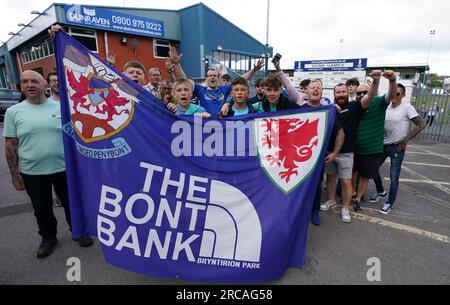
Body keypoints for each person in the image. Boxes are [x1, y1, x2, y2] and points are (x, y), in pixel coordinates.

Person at [3, 70, 93, 259]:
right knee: (41, 208)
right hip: (32, 172)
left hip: (63, 168)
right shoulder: (14, 112)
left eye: (34, 81)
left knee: (72, 203)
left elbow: (76, 137)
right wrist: (14, 174)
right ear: (21, 86)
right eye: (25, 82)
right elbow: (11, 144)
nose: (29, 85)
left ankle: (79, 231)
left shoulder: (61, 108)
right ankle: (48, 238)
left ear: (45, 85)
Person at [320, 71, 382, 223]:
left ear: (348, 92)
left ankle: (345, 208)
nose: (341, 94)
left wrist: (375, 81)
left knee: (347, 182)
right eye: (338, 92)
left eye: (343, 92)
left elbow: (370, 96)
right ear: (334, 94)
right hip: (329, 152)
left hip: (347, 153)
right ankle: (332, 200)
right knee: (330, 179)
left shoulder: (356, 106)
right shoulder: (329, 108)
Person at [370, 83, 426, 214]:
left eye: (398, 94)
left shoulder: (407, 107)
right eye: (393, 92)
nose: (394, 96)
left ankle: (389, 203)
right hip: (382, 145)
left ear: (403, 96)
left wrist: (406, 139)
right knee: (372, 169)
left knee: (394, 177)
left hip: (397, 147)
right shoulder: (386, 107)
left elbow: (421, 125)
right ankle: (380, 191)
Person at [168, 46, 264, 116]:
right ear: (206, 78)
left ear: (219, 78)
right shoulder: (200, 89)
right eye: (210, 76)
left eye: (214, 76)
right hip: (206, 124)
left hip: (222, 123)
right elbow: (184, 82)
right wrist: (177, 64)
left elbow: (240, 80)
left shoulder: (224, 89)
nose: (212, 77)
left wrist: (253, 70)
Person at [352, 70, 398, 212]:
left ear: (371, 90)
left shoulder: (379, 102)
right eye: (358, 93)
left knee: (365, 176)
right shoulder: (355, 106)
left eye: (364, 92)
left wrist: (392, 80)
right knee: (352, 173)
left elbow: (391, 95)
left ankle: (358, 199)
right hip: (353, 149)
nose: (361, 95)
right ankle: (353, 194)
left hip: (371, 150)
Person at [301, 79, 345, 225]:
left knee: (317, 185)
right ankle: (300, 211)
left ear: (322, 92)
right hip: (300, 157)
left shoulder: (329, 111)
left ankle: (315, 211)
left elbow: (340, 133)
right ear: (306, 92)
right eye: (312, 87)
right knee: (300, 186)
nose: (315, 90)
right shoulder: (298, 109)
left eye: (318, 88)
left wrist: (334, 153)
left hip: (318, 157)